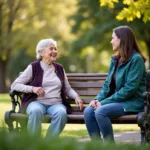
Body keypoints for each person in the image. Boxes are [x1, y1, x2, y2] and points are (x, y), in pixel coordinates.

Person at [84, 25, 147, 142]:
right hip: (118, 101)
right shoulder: (115, 60)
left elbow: (129, 89)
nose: (111, 41)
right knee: (88, 111)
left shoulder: (136, 59)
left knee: (101, 111)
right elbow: (107, 85)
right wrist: (97, 99)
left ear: (121, 39)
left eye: (113, 38)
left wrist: (103, 103)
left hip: (133, 102)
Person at [11, 38, 83, 138]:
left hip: (56, 104)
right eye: (51, 49)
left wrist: (76, 97)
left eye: (55, 49)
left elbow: (67, 88)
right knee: (36, 111)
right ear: (41, 52)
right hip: (36, 102)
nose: (54, 51)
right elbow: (15, 85)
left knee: (61, 113)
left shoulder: (59, 68)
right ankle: (33, 143)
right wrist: (33, 89)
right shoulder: (34, 67)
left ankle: (48, 143)